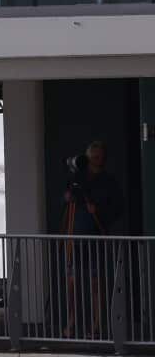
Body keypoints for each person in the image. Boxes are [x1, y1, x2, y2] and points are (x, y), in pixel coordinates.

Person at [62, 140, 124, 339]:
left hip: (96, 235)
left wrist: (99, 210)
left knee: (96, 283)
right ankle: (72, 322)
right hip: (76, 236)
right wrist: (67, 197)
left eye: (98, 157)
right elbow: (67, 198)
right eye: (92, 157)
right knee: (72, 282)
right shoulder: (78, 179)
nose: (95, 160)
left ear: (103, 158)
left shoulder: (108, 182)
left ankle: (96, 325)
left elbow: (118, 208)